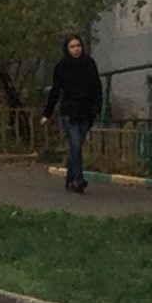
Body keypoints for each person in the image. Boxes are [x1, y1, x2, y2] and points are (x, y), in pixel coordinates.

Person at [45, 33, 105, 193]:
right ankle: (79, 179)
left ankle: (70, 180)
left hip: (86, 111)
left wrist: (97, 108)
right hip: (69, 111)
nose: (76, 49)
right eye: (72, 47)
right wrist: (47, 113)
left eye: (78, 46)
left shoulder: (89, 63)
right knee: (76, 144)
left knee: (76, 147)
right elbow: (55, 91)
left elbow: (97, 88)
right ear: (67, 49)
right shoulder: (62, 66)